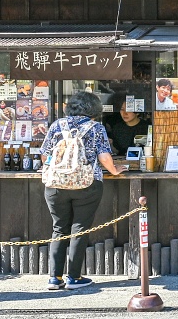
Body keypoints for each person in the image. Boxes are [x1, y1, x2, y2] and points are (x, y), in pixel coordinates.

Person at [40, 91, 126, 291]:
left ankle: (54, 278)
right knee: (80, 229)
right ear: (94, 109)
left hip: (55, 185)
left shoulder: (56, 125)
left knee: (59, 228)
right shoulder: (96, 128)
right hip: (86, 184)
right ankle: (74, 277)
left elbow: (45, 156)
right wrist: (115, 170)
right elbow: (104, 157)